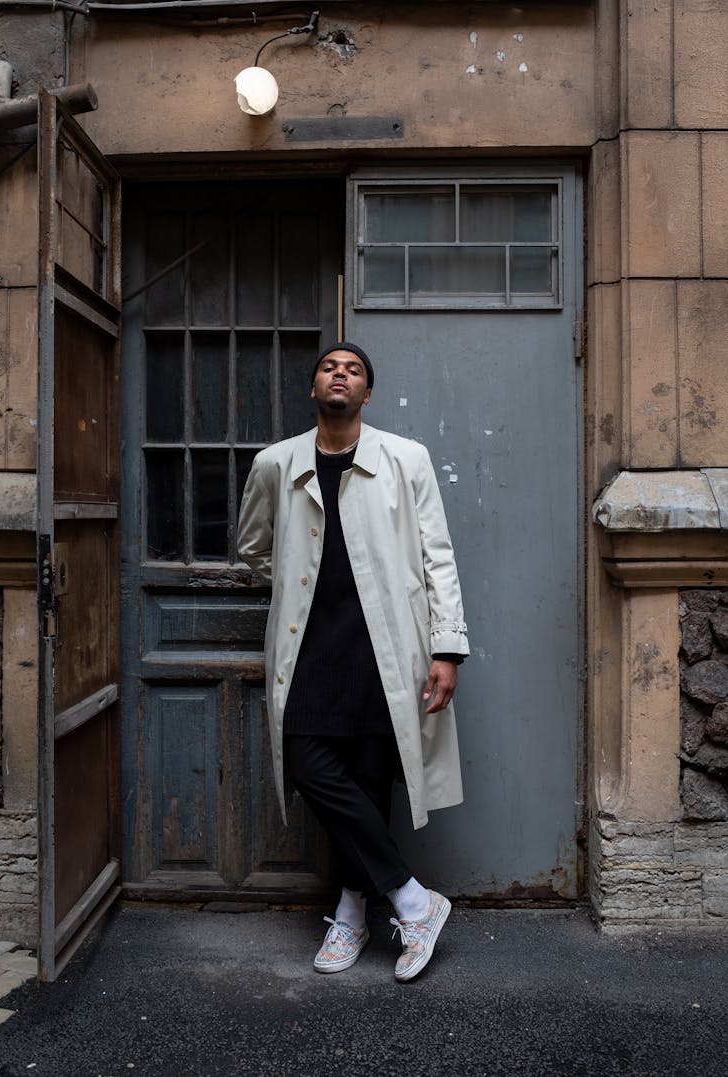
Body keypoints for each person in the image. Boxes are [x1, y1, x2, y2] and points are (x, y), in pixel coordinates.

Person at [237, 342, 469, 982]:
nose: (340, 374)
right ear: (312, 387)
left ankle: (350, 914)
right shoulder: (275, 464)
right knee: (313, 766)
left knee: (367, 782)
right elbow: (254, 548)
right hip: (309, 645)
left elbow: (438, 556)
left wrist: (447, 647)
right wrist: (294, 581)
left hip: (386, 645)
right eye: (329, 367)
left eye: (354, 369)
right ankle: (413, 901)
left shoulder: (406, 459)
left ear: (367, 393)